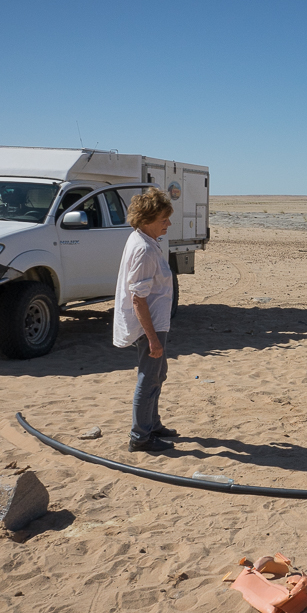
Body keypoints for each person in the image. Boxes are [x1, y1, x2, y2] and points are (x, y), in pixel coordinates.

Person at [113, 188, 178, 452]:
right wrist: (152, 338)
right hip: (147, 324)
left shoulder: (145, 241)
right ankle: (140, 437)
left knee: (157, 375)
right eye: (164, 220)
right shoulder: (143, 249)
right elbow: (138, 298)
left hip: (155, 322)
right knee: (149, 377)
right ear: (147, 219)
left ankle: (152, 424)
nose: (168, 224)